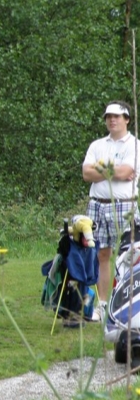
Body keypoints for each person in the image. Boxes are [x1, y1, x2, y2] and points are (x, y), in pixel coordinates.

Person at [82, 100, 140, 321]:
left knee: (128, 256)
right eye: (109, 117)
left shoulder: (134, 144)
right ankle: (103, 304)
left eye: (117, 116)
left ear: (126, 119)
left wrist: (101, 168)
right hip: (98, 204)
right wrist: (113, 170)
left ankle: (125, 305)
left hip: (124, 205)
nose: (112, 120)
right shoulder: (97, 145)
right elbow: (86, 174)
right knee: (101, 255)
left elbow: (127, 170)